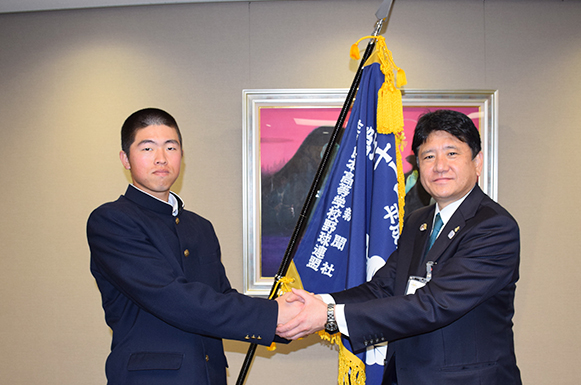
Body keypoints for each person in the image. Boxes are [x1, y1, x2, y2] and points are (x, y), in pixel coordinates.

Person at [277, 110, 522, 384]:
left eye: (451, 153)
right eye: (428, 156)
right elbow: (381, 288)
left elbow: (434, 305)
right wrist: (318, 303)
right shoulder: (418, 222)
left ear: (477, 162)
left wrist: (330, 316)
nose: (439, 166)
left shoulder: (494, 227)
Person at [87, 108, 301, 385]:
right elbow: (173, 297)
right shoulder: (112, 220)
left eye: (171, 147)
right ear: (125, 159)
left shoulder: (200, 226)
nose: (161, 158)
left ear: (182, 155)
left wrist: (288, 321)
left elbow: (222, 295)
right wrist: (274, 315)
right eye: (147, 148)